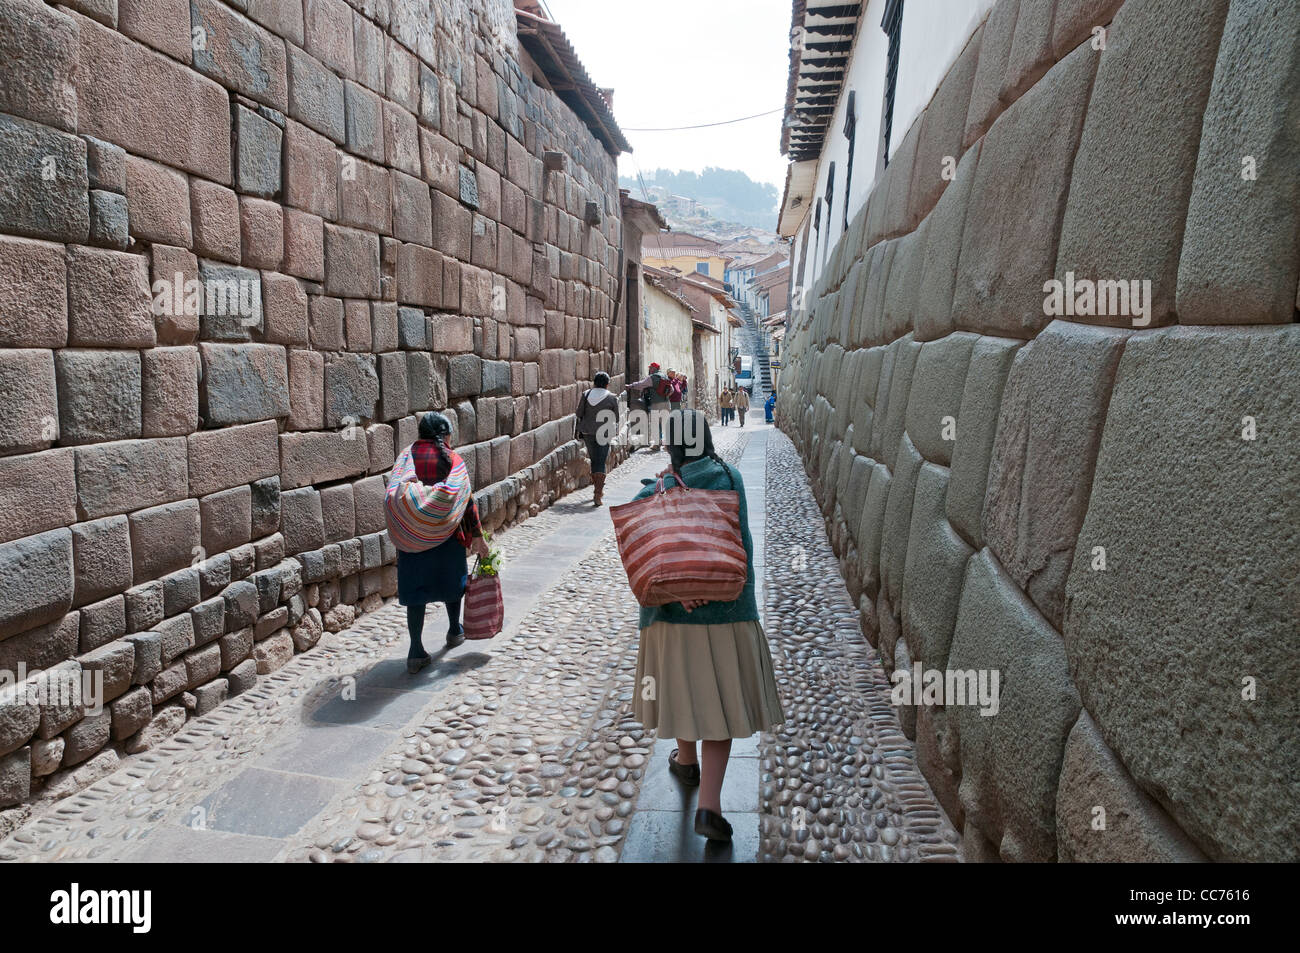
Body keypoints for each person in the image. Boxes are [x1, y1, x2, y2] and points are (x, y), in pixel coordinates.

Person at [629, 410, 784, 842]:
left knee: (680, 691)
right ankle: (709, 807)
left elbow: (643, 554)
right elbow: (741, 547)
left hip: (669, 619)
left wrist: (680, 592)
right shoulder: (731, 478)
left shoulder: (655, 488)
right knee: (719, 707)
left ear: (671, 446)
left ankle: (685, 760)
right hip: (727, 615)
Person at [397, 411, 490, 674]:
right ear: (444, 435)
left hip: (412, 536)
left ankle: (415, 650)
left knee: (416, 590)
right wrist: (478, 537)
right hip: (448, 534)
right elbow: (467, 501)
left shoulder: (406, 458)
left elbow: (395, 490)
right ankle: (454, 630)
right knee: (452, 583)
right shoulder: (453, 460)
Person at [575, 371, 619, 506]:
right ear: (607, 384)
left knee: (594, 460)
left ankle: (597, 490)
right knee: (600, 461)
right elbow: (616, 417)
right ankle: (597, 494)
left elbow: (579, 413)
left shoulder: (586, 394)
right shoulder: (612, 398)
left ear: (594, 382)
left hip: (588, 432)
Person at [626, 362, 672, 449]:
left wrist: (630, 386)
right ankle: (667, 444)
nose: (649, 369)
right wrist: (664, 397)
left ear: (654, 369)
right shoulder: (665, 376)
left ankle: (656, 444)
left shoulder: (653, 378)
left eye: (650, 368)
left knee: (655, 423)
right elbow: (671, 390)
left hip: (656, 404)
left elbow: (641, 384)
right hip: (666, 403)